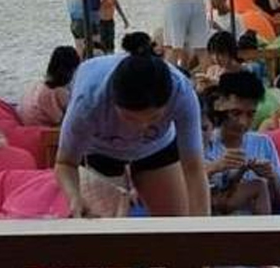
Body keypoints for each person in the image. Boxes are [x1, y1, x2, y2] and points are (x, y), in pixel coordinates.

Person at [55, 32, 208, 217]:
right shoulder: (88, 102)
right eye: (130, 118)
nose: (141, 128)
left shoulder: (182, 93)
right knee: (107, 224)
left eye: (154, 118)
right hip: (101, 149)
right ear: (113, 102)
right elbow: (65, 163)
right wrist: (74, 197)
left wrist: (202, 226)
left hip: (157, 147)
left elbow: (194, 168)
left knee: (174, 221)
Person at [203, 72, 280, 214]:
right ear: (220, 106)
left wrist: (272, 175)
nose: (243, 122)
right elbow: (186, 191)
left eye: (250, 114)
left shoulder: (262, 143)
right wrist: (215, 167)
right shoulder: (205, 142)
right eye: (235, 113)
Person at [20, 45, 80, 127]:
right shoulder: (55, 92)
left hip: (27, 120)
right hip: (41, 127)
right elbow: (63, 120)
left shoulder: (40, 84)